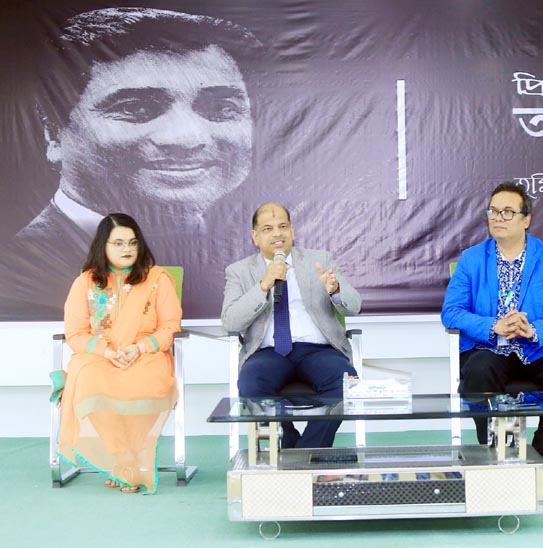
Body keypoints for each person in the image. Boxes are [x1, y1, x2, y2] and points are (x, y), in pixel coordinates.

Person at [0, 7, 261, 321]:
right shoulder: (17, 269)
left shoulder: (250, 263)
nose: (187, 138)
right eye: (136, 108)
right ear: (54, 133)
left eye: (221, 108)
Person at [441, 182, 543, 487]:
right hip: (488, 347)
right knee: (478, 372)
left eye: (508, 212)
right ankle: (496, 454)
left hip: (538, 348)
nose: (498, 218)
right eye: (493, 211)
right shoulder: (471, 259)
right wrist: (493, 325)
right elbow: (451, 312)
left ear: (526, 219)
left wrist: (534, 329)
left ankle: (540, 455)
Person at [57, 213, 181, 494]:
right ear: (103, 246)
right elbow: (75, 333)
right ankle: (123, 456)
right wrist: (107, 351)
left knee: (146, 380)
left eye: (133, 243)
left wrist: (139, 347)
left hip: (146, 353)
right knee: (87, 378)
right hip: (100, 356)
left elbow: (170, 326)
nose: (127, 249)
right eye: (119, 243)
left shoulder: (157, 279)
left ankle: (131, 456)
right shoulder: (85, 283)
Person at [221, 202, 361, 448]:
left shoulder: (320, 259)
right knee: (251, 385)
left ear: (292, 232)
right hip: (268, 352)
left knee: (346, 383)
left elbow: (354, 306)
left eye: (283, 226)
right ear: (255, 237)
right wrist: (263, 285)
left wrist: (336, 289)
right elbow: (230, 321)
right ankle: (287, 441)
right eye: (267, 228)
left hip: (318, 350)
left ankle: (308, 452)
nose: (277, 233)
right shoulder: (239, 271)